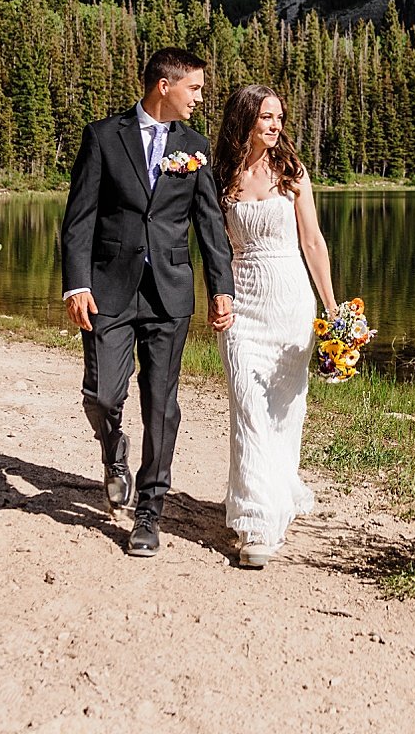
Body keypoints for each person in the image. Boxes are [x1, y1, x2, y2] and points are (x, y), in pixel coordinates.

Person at [61, 48, 235, 557]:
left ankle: (149, 513)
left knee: (162, 404)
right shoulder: (103, 137)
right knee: (103, 395)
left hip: (169, 292)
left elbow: (209, 226)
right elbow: (79, 219)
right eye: (195, 89)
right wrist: (76, 284)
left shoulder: (195, 147)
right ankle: (113, 450)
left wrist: (220, 288)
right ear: (165, 85)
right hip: (108, 287)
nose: (201, 98)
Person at [212, 83, 338, 569]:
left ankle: (278, 492)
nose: (275, 125)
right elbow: (214, 244)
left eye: (279, 117)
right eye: (266, 116)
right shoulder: (221, 173)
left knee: (285, 411)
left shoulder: (292, 171)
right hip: (242, 303)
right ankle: (254, 522)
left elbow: (313, 240)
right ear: (244, 119)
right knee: (247, 404)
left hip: (290, 302)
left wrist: (331, 307)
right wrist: (216, 297)